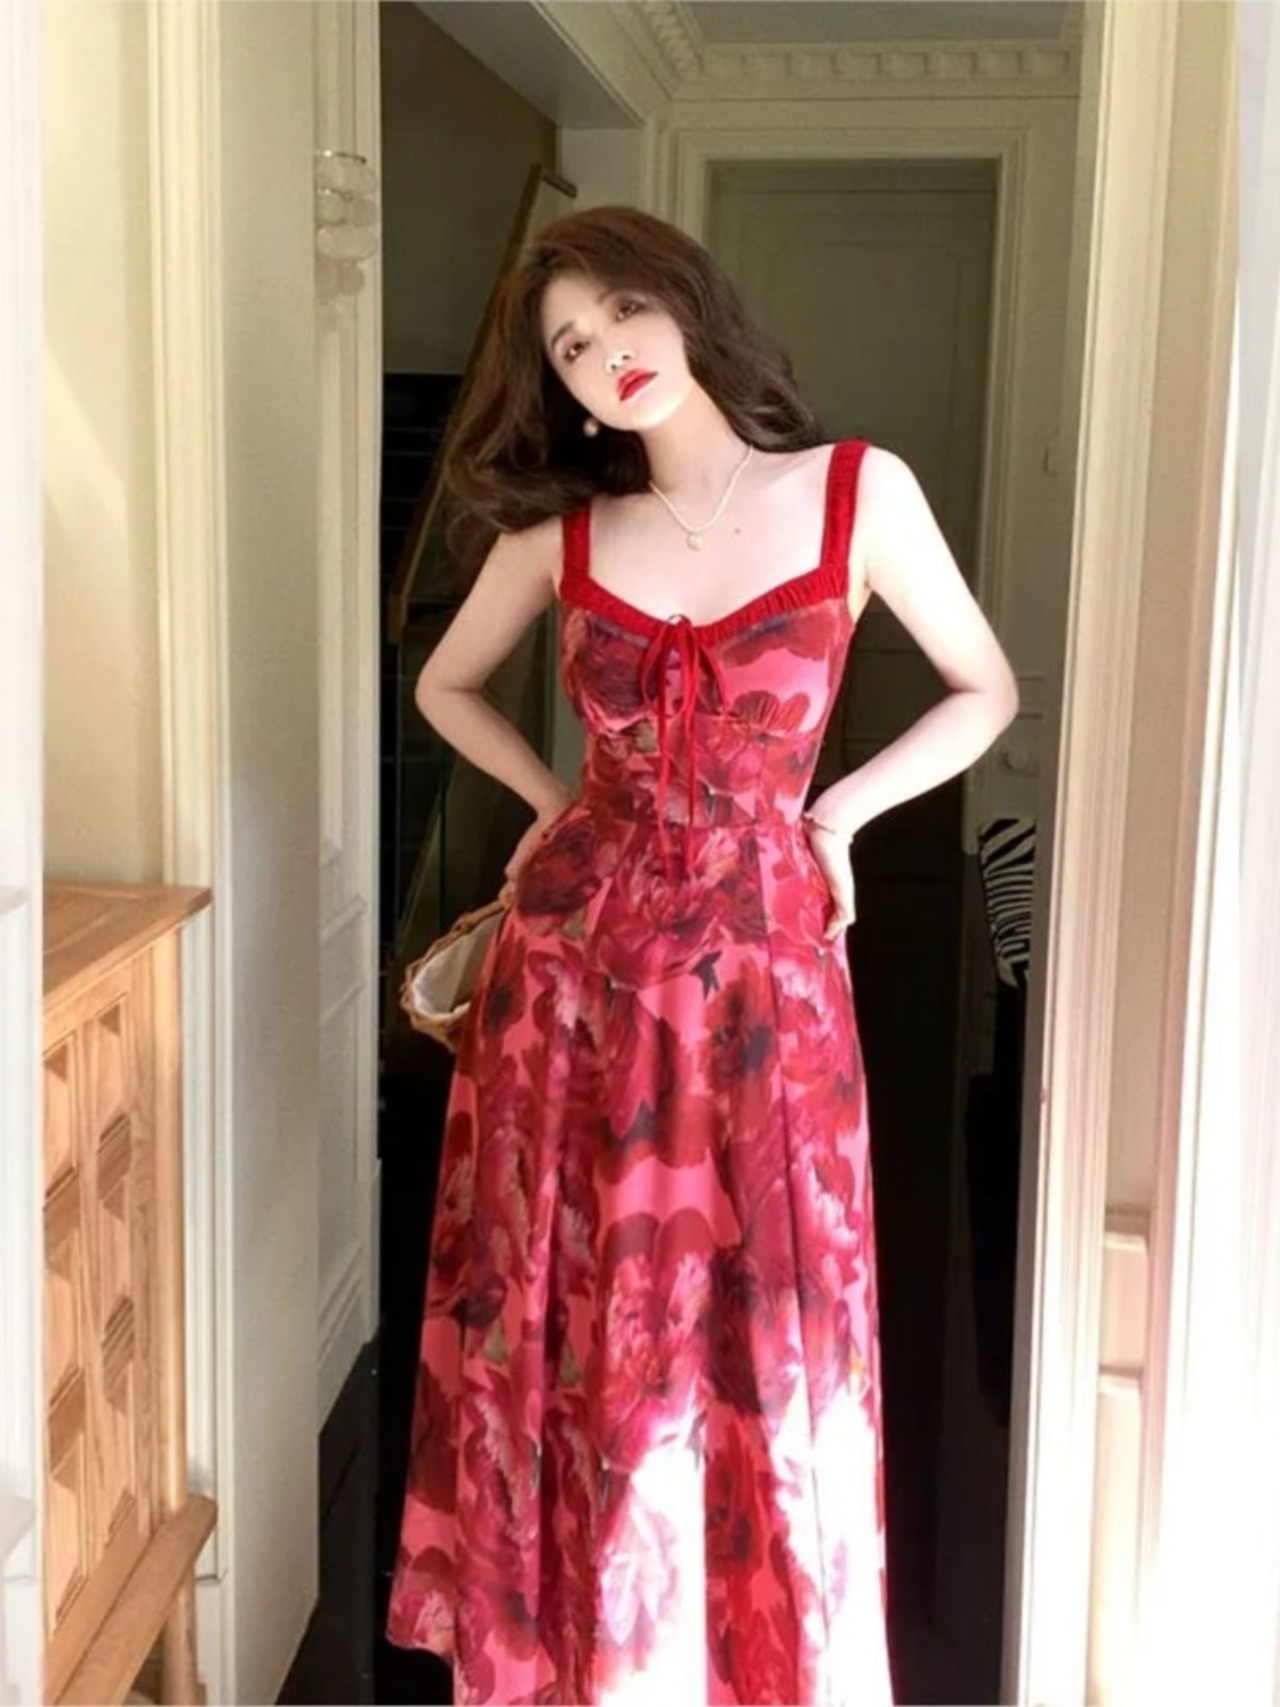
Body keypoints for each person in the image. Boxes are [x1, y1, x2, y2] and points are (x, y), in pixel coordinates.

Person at [385, 204, 1019, 1706]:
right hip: (573, 983)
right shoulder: (564, 534)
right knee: (577, 1309)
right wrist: (551, 803)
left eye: (621, 311)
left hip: (766, 976)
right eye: (569, 346)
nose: (605, 353)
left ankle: (743, 1661)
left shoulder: (855, 490)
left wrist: (839, 814)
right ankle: (589, 1658)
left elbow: (982, 687)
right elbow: (443, 685)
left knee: (770, 1319)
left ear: (684, 301)